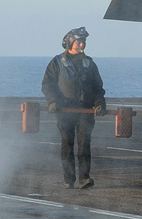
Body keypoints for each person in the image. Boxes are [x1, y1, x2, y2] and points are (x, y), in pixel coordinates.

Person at [41, 27, 106, 190]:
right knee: (67, 144)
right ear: (69, 42)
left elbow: (98, 87)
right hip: (65, 111)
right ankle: (69, 179)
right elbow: (48, 84)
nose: (82, 44)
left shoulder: (89, 63)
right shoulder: (56, 62)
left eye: (83, 41)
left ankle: (84, 178)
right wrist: (53, 101)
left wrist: (100, 102)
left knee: (85, 145)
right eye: (79, 41)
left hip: (85, 110)